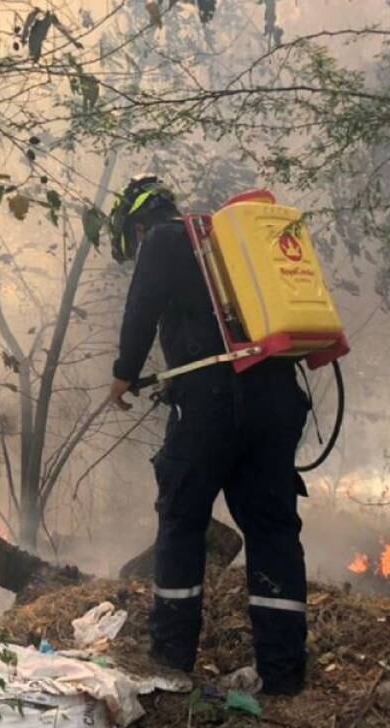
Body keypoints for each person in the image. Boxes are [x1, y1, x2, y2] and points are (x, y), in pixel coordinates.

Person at [106, 176, 312, 696]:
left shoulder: (162, 238)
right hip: (277, 400)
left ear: (135, 226)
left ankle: (170, 662)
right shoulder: (225, 246)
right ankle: (282, 671)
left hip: (212, 404)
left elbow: (141, 311)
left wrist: (123, 374)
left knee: (182, 521)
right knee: (272, 529)